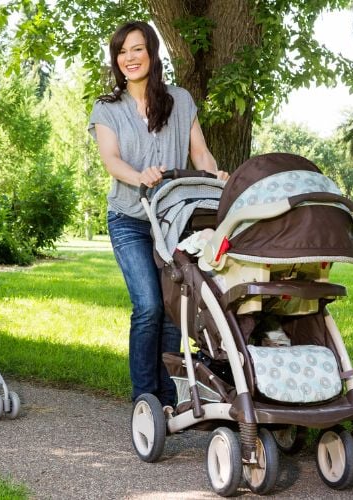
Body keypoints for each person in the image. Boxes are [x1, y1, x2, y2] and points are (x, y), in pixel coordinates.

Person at [88, 21, 230, 408]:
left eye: (136, 49)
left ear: (151, 52)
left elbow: (198, 151)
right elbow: (111, 160)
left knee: (172, 310)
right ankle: (145, 398)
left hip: (172, 221)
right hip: (130, 219)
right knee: (149, 305)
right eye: (121, 52)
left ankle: (170, 398)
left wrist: (212, 172)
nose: (129, 58)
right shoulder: (107, 107)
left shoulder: (180, 100)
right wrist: (141, 177)